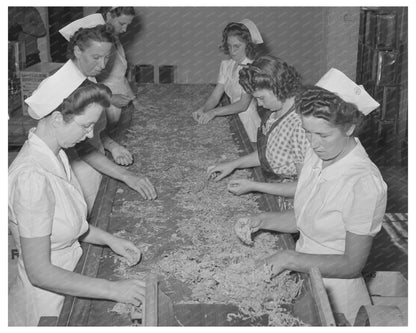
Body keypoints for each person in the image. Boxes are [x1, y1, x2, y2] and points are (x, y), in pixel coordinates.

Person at [240, 68, 387, 324]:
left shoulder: (363, 183)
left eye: (323, 134)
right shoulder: (317, 154)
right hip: (303, 277)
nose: (313, 142)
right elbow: (306, 216)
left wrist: (289, 258)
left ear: (350, 127)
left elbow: (352, 263)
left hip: (337, 297)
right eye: (307, 132)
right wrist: (262, 220)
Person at [9, 64, 146, 326]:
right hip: (48, 303)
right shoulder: (31, 179)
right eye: (86, 125)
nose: (91, 134)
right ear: (58, 118)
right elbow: (40, 273)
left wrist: (109, 239)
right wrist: (114, 289)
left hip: (73, 278)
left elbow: (64, 225)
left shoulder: (57, 154)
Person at [59, 14, 157, 213]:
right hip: (75, 171)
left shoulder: (89, 80)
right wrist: (126, 175)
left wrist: (113, 146)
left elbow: (91, 131)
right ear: (77, 51)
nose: (103, 65)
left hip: (97, 162)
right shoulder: (68, 89)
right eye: (96, 57)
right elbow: (82, 147)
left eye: (106, 57)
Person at [208, 55, 309, 204]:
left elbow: (303, 187)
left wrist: (255, 186)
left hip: (293, 202)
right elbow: (269, 153)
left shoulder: (301, 126)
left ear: (277, 87)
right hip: (274, 186)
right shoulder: (275, 111)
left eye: (261, 98)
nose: (260, 105)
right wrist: (233, 164)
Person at [192, 19, 263, 142]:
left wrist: (214, 112)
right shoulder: (226, 65)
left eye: (237, 46)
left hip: (248, 122)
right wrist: (204, 109)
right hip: (233, 117)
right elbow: (215, 96)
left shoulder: (252, 69)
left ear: (249, 45)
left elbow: (243, 105)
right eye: (229, 46)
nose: (232, 51)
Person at [96, 7, 139, 125]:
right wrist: (110, 98)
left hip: (118, 106)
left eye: (127, 25)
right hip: (101, 108)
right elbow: (83, 85)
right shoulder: (95, 45)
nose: (125, 29)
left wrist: (135, 101)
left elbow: (120, 77)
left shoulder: (114, 40)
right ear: (109, 16)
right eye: (122, 23)